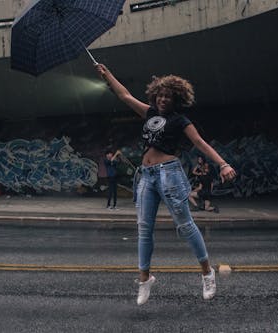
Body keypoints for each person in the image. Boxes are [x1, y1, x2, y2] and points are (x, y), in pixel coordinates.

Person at [95, 63, 237, 305]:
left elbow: (200, 143)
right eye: (159, 95)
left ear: (176, 99)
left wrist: (222, 164)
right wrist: (108, 75)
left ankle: (206, 273)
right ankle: (144, 279)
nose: (162, 99)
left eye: (168, 96)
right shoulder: (150, 113)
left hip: (169, 174)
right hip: (146, 175)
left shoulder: (180, 120)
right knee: (144, 228)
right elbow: (125, 95)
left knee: (185, 225)